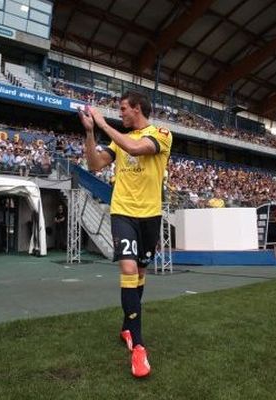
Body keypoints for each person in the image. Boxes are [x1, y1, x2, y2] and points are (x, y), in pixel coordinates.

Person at [78, 91, 172, 378]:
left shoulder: (162, 134)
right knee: (129, 267)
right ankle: (139, 347)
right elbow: (94, 165)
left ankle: (127, 326)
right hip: (123, 212)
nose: (120, 113)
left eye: (123, 109)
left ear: (137, 109)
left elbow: (135, 148)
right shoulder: (117, 140)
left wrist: (104, 124)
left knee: (140, 272)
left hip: (150, 215)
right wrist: (91, 133)